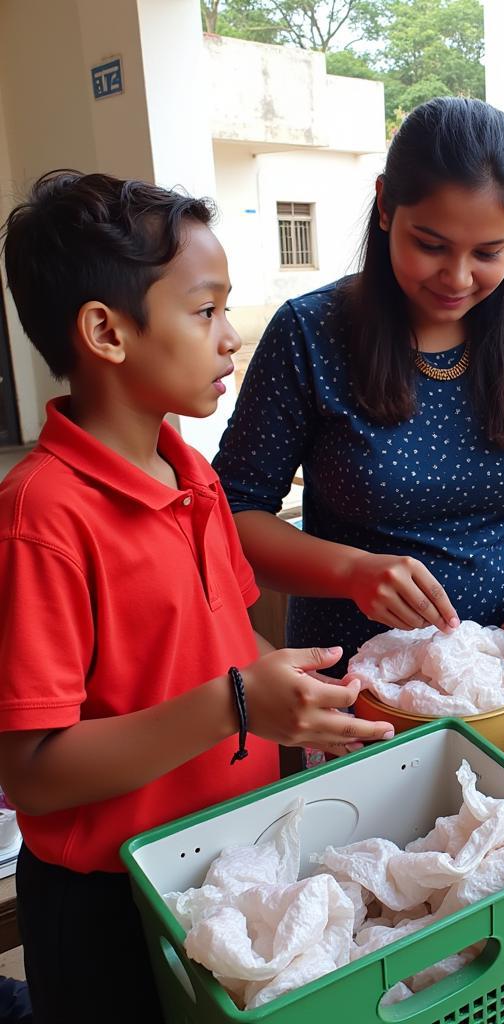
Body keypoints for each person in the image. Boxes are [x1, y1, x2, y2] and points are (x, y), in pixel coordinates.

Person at [0, 171, 392, 1023]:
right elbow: (29, 774)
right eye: (205, 310)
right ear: (106, 332)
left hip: (222, 862)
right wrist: (236, 705)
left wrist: (303, 696)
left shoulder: (193, 476)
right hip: (107, 899)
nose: (231, 336)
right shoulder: (42, 516)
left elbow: (230, 646)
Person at [214, 97, 504, 723]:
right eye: (431, 244)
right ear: (384, 205)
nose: (457, 277)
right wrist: (353, 572)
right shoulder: (311, 333)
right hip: (357, 686)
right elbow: (232, 514)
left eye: (489, 251)